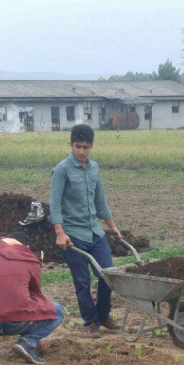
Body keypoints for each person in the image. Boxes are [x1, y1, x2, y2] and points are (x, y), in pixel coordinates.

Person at [50, 124, 122, 337]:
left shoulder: (94, 168)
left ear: (92, 147)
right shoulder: (62, 169)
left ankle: (103, 315)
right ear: (70, 145)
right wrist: (59, 232)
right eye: (77, 146)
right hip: (72, 235)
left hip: (94, 232)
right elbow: (54, 203)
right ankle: (91, 321)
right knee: (82, 281)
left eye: (86, 147)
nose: (81, 151)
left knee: (107, 274)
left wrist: (113, 227)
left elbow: (100, 200)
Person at [0, 231, 64, 364]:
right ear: (26, 247)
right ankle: (28, 342)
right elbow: (35, 292)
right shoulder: (31, 259)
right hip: (20, 323)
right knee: (58, 311)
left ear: (6, 239)